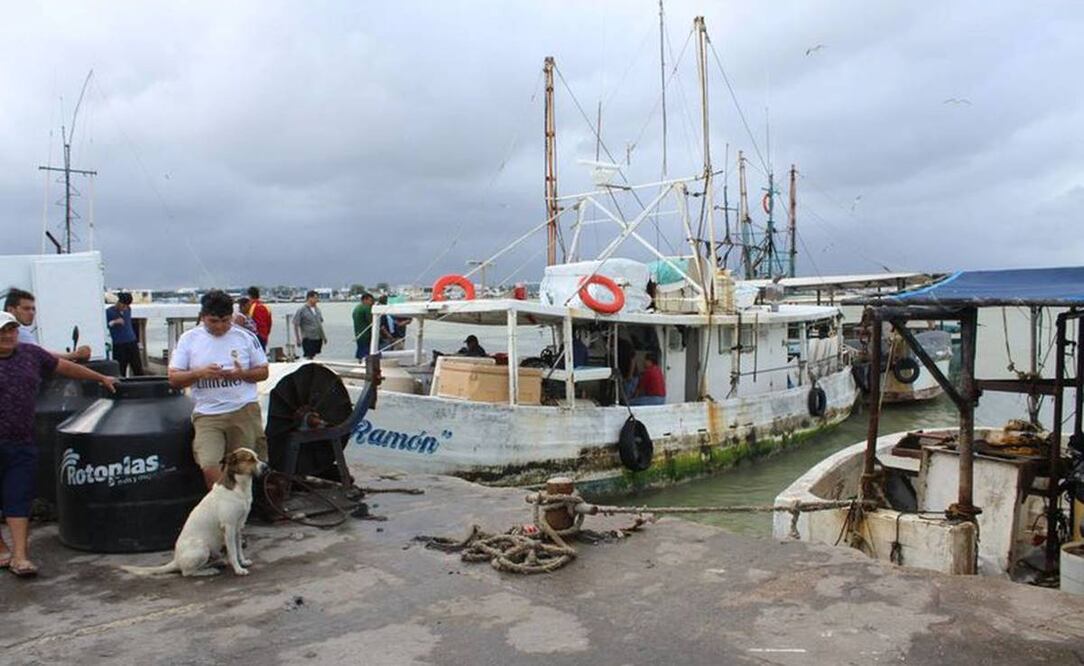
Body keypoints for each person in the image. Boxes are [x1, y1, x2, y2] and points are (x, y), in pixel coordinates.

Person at [0, 311, 117, 577]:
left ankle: (20, 556)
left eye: (11, 330)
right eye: (2, 331)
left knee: (18, 497)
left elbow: (63, 367)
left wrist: (99, 378)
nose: (7, 336)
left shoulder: (30, 353)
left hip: (21, 439)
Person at [167, 290, 269, 490]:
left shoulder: (246, 337)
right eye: (213, 321)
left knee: (246, 466)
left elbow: (263, 372)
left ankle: (244, 506)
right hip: (207, 413)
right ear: (203, 317)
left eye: (225, 320)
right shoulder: (188, 339)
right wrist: (199, 373)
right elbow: (174, 378)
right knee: (209, 462)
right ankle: (221, 505)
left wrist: (242, 374)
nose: (221, 326)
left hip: (242, 409)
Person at [4, 288, 91, 362]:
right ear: (11, 310)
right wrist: (75, 355)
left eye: (33, 309)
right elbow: (41, 355)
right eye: (26, 309)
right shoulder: (17, 332)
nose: (32, 313)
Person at [105, 292, 143, 377]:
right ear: (119, 302)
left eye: (126, 306)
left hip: (132, 342)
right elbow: (104, 326)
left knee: (137, 367)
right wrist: (114, 322)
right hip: (119, 344)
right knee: (121, 369)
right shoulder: (108, 312)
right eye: (123, 305)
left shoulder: (128, 310)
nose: (124, 308)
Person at [293, 290, 326, 360]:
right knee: (309, 355)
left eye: (317, 298)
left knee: (314, 354)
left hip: (317, 336)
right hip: (308, 337)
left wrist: (324, 337)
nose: (317, 300)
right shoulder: (302, 310)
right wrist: (298, 339)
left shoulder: (317, 310)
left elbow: (320, 323)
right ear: (309, 298)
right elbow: (296, 324)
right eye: (315, 298)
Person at [352, 293, 375, 361]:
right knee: (366, 351)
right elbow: (371, 321)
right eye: (370, 301)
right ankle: (366, 364)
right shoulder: (366, 308)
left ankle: (360, 362)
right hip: (366, 334)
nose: (371, 303)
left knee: (360, 349)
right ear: (365, 300)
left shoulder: (356, 308)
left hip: (358, 333)